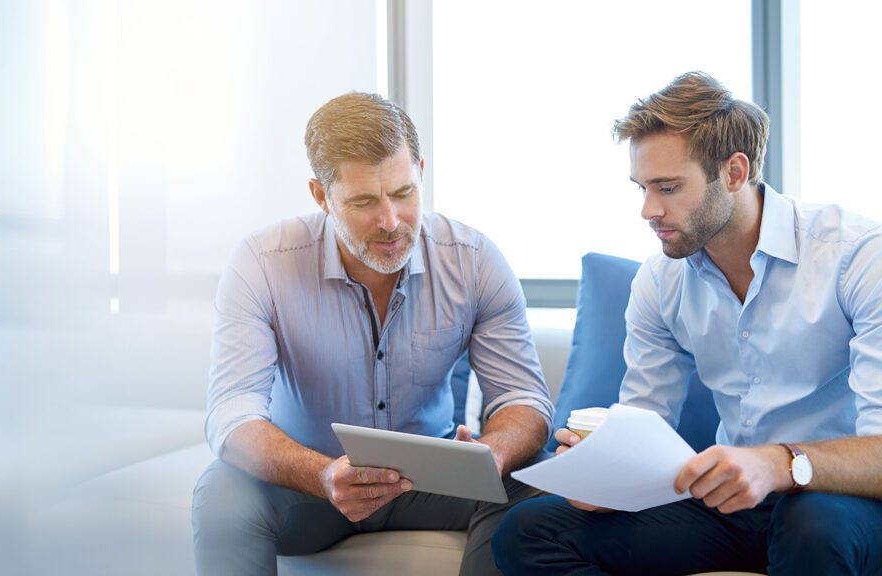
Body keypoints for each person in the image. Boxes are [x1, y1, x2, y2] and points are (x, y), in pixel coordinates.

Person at [492, 71, 882, 575]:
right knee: (527, 533)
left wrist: (779, 463)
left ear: (735, 173)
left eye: (669, 188)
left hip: (840, 499)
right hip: (735, 507)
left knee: (811, 525)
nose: (648, 210)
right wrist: (606, 476)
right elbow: (645, 424)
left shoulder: (856, 257)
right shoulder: (661, 280)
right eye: (643, 188)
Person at [192, 92, 554, 575]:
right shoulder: (262, 262)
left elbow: (524, 398)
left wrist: (494, 451)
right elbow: (232, 413)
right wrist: (322, 475)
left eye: (403, 193)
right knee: (221, 493)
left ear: (420, 170)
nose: (390, 222)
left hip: (434, 483)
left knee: (536, 479)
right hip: (309, 485)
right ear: (321, 196)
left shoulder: (473, 259)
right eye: (363, 201)